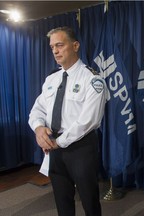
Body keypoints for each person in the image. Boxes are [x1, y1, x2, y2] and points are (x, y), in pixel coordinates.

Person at [28, 26, 106, 216]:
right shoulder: (51, 80)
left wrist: (58, 142)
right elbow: (37, 110)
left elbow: (89, 120)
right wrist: (39, 128)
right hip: (54, 148)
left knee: (90, 201)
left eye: (60, 45)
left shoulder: (93, 79)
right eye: (52, 46)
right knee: (62, 201)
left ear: (75, 45)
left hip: (81, 149)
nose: (55, 51)